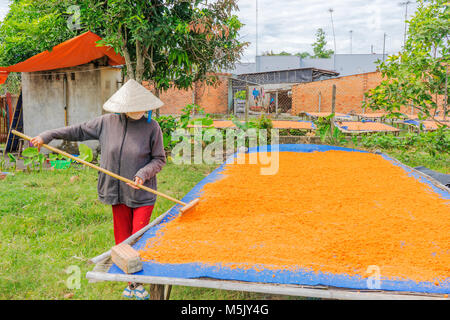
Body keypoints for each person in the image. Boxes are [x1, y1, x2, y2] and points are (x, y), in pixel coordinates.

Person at [31, 79, 166, 300]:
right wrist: (48, 135)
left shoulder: (152, 128)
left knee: (138, 238)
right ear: (123, 108)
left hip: (142, 194)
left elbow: (159, 159)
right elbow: (77, 130)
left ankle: (139, 281)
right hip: (116, 191)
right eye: (134, 107)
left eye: (143, 107)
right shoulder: (106, 122)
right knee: (122, 239)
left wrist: (143, 174)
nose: (139, 111)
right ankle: (130, 283)